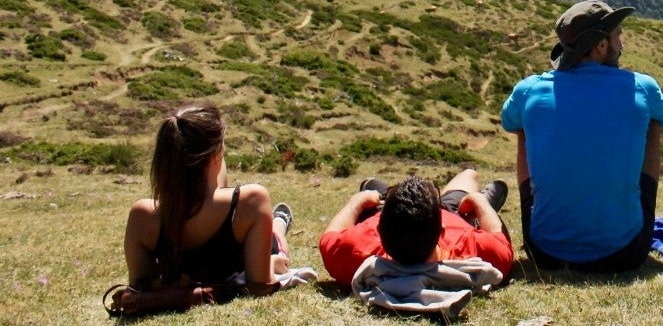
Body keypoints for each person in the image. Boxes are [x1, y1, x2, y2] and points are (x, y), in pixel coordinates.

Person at [501, 0, 663, 270]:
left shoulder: (529, 89)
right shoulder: (641, 86)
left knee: (525, 123)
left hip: (544, 251)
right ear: (601, 46)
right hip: (624, 252)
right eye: (617, 36)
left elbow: (508, 122)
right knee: (651, 121)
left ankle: (544, 215)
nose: (621, 43)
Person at [123, 101, 292, 290]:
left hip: (203, 184)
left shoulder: (142, 216)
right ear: (215, 155)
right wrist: (272, 263)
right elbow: (261, 284)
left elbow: (140, 287)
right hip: (255, 241)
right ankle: (279, 222)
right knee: (275, 234)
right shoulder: (251, 201)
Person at [319, 170, 514, 288]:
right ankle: (484, 199)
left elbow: (329, 236)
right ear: (442, 231)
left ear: (378, 228)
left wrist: (357, 202)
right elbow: (500, 239)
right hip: (453, 213)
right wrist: (479, 204)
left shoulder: (354, 250)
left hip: (396, 210)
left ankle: (378, 189)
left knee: (370, 184)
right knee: (469, 174)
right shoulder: (476, 254)